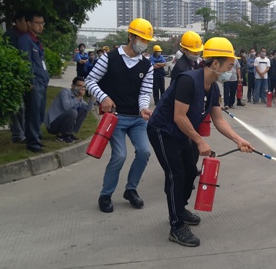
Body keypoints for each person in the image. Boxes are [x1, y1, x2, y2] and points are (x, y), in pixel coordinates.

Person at [147, 37, 254, 247]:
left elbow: (219, 119)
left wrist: (239, 140)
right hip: (163, 131)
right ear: (215, 63)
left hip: (183, 133)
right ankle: (176, 226)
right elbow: (179, 116)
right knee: (175, 175)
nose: (231, 71)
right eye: (229, 66)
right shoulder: (188, 80)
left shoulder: (213, 89)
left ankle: (181, 208)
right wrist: (199, 141)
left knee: (189, 172)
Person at [85, 18, 155, 213]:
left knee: (144, 152)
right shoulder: (109, 58)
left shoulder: (146, 66)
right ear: (130, 36)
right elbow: (90, 80)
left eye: (147, 40)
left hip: (137, 119)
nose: (144, 43)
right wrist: (104, 97)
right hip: (115, 117)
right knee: (120, 155)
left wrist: (143, 108)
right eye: (141, 38)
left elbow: (144, 92)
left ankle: (131, 189)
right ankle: (105, 194)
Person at [17, 12, 50, 152]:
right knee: (33, 113)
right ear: (29, 24)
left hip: (41, 83)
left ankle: (37, 137)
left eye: (42, 23)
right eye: (38, 23)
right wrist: (28, 81)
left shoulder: (36, 41)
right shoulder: (26, 40)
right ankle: (32, 143)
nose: (41, 26)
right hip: (34, 84)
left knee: (40, 113)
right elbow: (25, 62)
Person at [3, 10, 28, 144]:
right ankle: (17, 134)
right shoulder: (10, 37)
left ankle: (22, 132)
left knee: (23, 107)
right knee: (18, 107)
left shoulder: (25, 37)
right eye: (25, 21)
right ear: (17, 22)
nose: (27, 25)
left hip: (24, 77)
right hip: (14, 77)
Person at [46, 77, 94, 143]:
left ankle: (69, 133)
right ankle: (61, 136)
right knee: (73, 112)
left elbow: (88, 108)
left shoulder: (78, 96)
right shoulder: (65, 92)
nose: (81, 88)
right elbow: (67, 107)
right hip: (53, 124)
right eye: (79, 86)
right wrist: (79, 97)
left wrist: (92, 97)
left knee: (83, 111)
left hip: (62, 121)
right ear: (72, 86)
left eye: (83, 86)